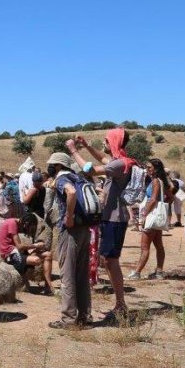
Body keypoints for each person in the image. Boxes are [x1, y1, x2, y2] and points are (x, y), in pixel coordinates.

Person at [66, 128, 133, 321]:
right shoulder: (120, 162)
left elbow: (91, 169)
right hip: (111, 217)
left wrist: (73, 151)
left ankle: (121, 304)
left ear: (113, 141)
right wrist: (86, 146)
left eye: (106, 140)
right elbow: (103, 158)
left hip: (114, 218)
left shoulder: (120, 164)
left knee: (111, 261)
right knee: (108, 260)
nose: (104, 143)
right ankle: (120, 302)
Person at [47, 152, 91, 329]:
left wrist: (69, 216)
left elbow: (70, 193)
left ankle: (68, 319)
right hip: (85, 229)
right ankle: (84, 315)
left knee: (67, 275)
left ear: (57, 166)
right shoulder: (78, 177)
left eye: (51, 164)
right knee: (81, 275)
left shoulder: (61, 179)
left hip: (70, 230)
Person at [129, 159, 173, 280]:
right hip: (157, 217)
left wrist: (143, 215)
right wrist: (162, 205)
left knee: (144, 247)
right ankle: (159, 272)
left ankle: (137, 272)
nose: (147, 169)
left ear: (156, 169)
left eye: (150, 167)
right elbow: (170, 197)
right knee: (159, 246)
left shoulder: (155, 181)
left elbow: (153, 199)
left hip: (151, 216)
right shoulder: (161, 181)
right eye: (146, 167)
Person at [0, 213, 53, 294]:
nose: (28, 230)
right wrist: (35, 245)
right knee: (36, 260)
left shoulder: (14, 223)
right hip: (10, 255)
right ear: (26, 223)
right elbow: (19, 246)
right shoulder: (12, 223)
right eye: (30, 227)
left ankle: (48, 286)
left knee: (48, 255)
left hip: (16, 252)